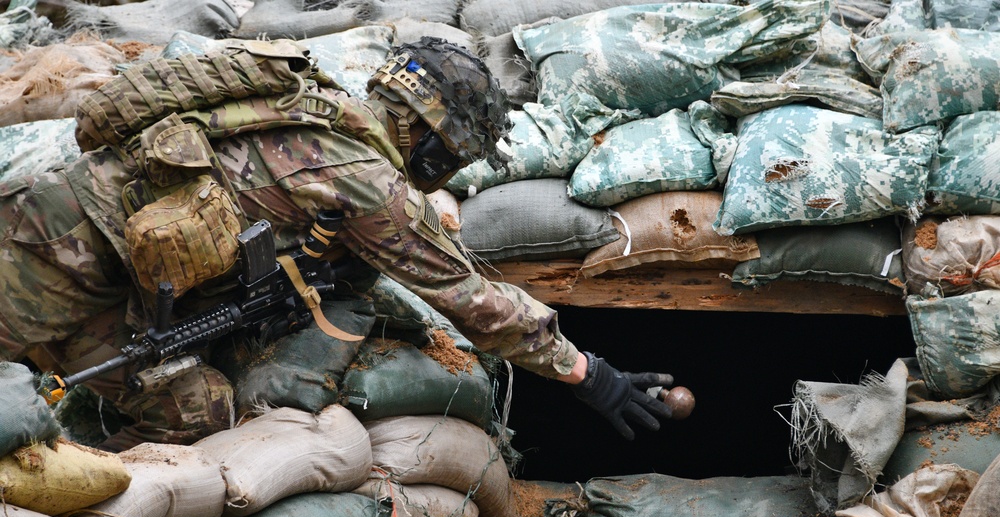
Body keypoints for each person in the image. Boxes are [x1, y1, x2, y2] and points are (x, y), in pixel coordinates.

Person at [0, 37, 674, 451]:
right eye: (451, 159)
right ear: (433, 139)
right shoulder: (364, 178)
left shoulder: (321, 109)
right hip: (60, 240)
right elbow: (471, 298)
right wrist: (588, 372)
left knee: (198, 411)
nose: (442, 173)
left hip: (118, 288)